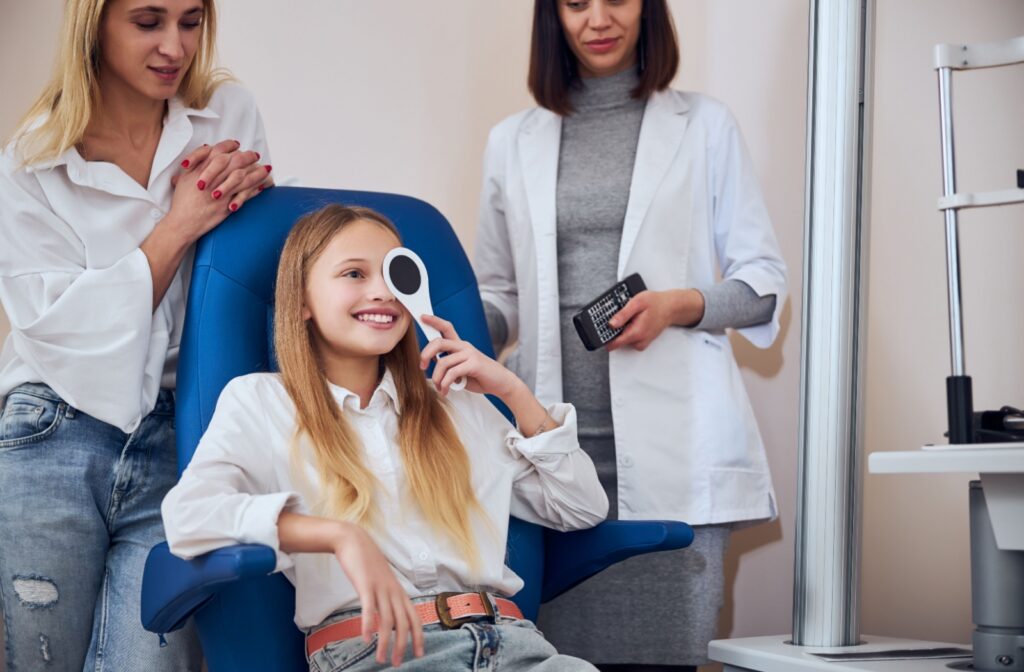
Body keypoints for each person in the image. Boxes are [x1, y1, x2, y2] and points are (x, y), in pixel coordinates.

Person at [473, 1, 788, 670]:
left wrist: (677, 304)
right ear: (552, 18)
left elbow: (762, 282)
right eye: (576, 4)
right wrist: (454, 336)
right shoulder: (511, 140)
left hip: (675, 454)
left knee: (666, 657)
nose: (597, 19)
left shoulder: (705, 125)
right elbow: (499, 294)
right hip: (553, 452)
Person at [160, 204, 609, 671]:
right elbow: (189, 516)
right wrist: (339, 536)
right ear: (302, 301)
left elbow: (581, 507)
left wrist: (511, 391)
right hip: (380, 654)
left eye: (395, 275)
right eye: (354, 273)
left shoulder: (454, 403)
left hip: (516, 647)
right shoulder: (261, 402)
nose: (382, 292)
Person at [0, 0, 273, 669]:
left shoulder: (228, 115)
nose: (175, 48)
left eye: (191, 21)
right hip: (51, 433)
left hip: (182, 441)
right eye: (148, 22)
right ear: (94, 25)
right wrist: (179, 224)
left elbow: (252, 272)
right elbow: (62, 336)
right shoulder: (31, 160)